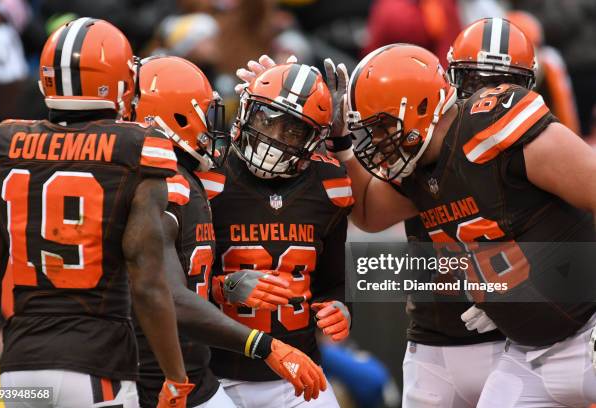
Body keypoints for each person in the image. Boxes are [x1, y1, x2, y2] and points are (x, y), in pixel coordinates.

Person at [330, 43, 596, 407]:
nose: (376, 143)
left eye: (381, 128)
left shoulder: (492, 129)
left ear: (421, 107)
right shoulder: (416, 169)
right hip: (531, 356)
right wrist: (342, 145)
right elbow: (367, 213)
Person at [0, 18, 192, 408]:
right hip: (96, 366)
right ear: (115, 81)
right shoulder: (138, 147)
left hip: (19, 370)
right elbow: (146, 280)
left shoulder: (2, 142)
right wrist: (175, 377)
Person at [133, 55, 328, 408]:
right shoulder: (161, 184)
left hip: (187, 373)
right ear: (175, 116)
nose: (213, 126)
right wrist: (264, 344)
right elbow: (167, 294)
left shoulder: (184, 177)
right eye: (205, 113)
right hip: (156, 376)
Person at [205, 62, 353, 407]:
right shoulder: (209, 175)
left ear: (315, 140)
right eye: (266, 120)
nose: (273, 139)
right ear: (244, 109)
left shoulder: (331, 185)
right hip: (218, 373)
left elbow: (333, 280)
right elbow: (176, 286)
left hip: (297, 374)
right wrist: (222, 287)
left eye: (292, 132)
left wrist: (342, 307)